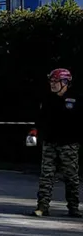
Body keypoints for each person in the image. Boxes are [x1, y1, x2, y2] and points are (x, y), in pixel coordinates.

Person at [28, 68, 80, 217]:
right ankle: (42, 207)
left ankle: (73, 207)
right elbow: (39, 119)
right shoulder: (47, 99)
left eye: (55, 81)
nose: (52, 84)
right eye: (51, 81)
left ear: (65, 82)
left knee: (71, 178)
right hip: (50, 143)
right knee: (46, 176)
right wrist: (33, 134)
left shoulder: (76, 99)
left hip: (69, 145)